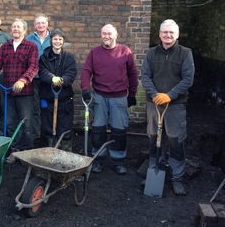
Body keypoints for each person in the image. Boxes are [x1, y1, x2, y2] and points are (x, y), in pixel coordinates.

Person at [141, 19, 194, 195]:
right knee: (154, 138)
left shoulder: (185, 54)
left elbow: (188, 79)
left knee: (175, 140)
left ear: (177, 35)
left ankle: (177, 178)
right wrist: (155, 95)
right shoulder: (151, 53)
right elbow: (145, 76)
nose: (168, 35)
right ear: (160, 34)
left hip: (175, 105)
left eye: (171, 32)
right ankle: (154, 172)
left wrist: (169, 96)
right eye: (165, 32)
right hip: (154, 103)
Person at [80, 24, 138, 175]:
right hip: (100, 95)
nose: (106, 36)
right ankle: (98, 159)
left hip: (119, 97)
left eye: (109, 34)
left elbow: (133, 74)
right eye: (104, 34)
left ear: (116, 35)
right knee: (98, 129)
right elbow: (86, 71)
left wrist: (132, 94)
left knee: (119, 130)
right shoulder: (94, 53)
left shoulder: (125, 51)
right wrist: (85, 88)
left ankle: (118, 160)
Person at [0, 19, 39, 164]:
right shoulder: (5, 47)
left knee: (26, 123)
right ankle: (14, 151)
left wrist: (23, 80)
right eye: (13, 26)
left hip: (25, 93)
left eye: (18, 27)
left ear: (24, 31)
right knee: (9, 123)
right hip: (8, 91)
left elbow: (34, 66)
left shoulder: (31, 46)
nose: (15, 29)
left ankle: (27, 153)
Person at [38, 29, 77, 151]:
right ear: (51, 40)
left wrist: (62, 80)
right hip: (48, 98)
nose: (57, 41)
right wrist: (52, 78)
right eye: (55, 39)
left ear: (63, 41)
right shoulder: (44, 57)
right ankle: (52, 150)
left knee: (65, 127)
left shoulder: (69, 57)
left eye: (60, 39)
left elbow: (71, 73)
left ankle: (66, 152)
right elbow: (42, 72)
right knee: (49, 127)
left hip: (64, 99)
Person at [26, 13, 51, 140]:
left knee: (48, 107)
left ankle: (49, 135)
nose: (40, 25)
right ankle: (36, 136)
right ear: (34, 25)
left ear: (47, 24)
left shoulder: (54, 38)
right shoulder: (29, 39)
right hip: (34, 80)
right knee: (35, 108)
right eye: (38, 23)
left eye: (43, 23)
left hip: (49, 79)